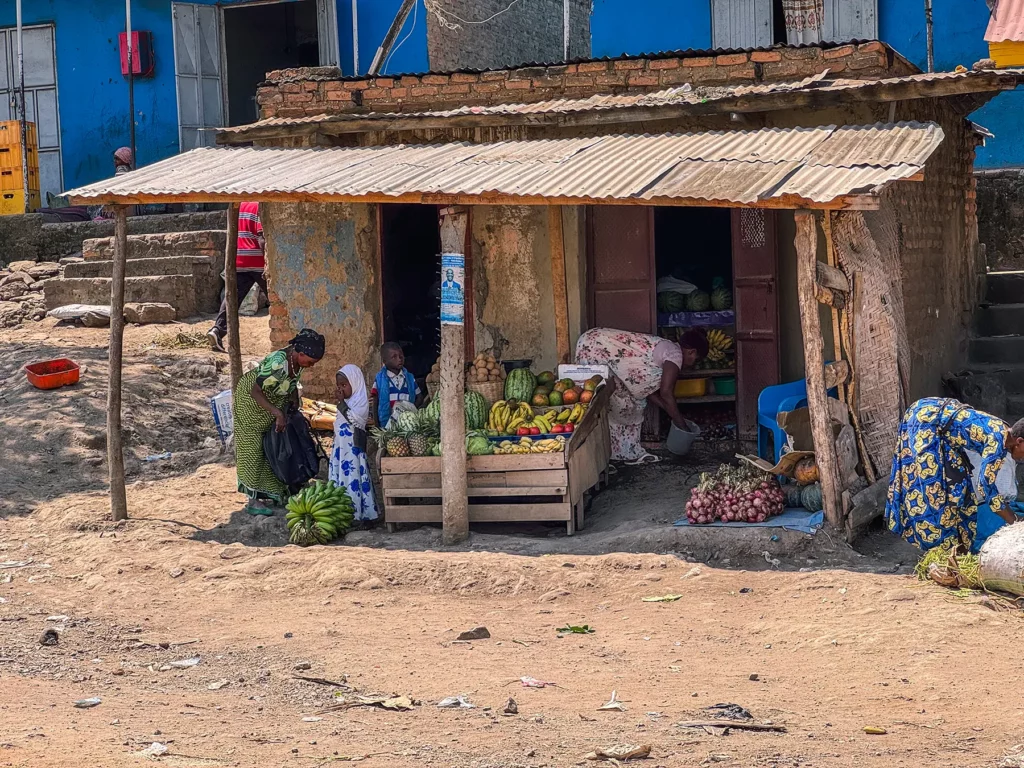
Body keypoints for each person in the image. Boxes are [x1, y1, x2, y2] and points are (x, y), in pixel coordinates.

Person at [885, 397, 1024, 552]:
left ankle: (957, 549)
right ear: (1019, 441)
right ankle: (938, 551)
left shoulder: (1005, 435)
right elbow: (986, 488)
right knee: (933, 494)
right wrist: (1015, 522)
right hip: (926, 420)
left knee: (960, 491)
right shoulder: (997, 441)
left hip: (943, 432)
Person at [574, 327, 708, 463]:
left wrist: (670, 411)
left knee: (622, 403)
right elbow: (666, 392)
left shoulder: (668, 348)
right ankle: (614, 454)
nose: (692, 364)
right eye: (695, 360)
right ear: (692, 352)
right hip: (595, 347)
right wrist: (681, 424)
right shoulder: (676, 355)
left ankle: (619, 453)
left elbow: (647, 391)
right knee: (595, 403)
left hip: (591, 342)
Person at [233, 328, 325, 515]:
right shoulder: (278, 363)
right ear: (299, 353)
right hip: (251, 404)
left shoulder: (297, 363)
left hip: (272, 403)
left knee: (272, 448)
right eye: (310, 361)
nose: (312, 365)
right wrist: (278, 413)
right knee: (253, 449)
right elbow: (255, 391)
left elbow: (291, 384)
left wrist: (293, 401)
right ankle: (253, 500)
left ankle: (275, 493)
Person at [209, 202, 267, 353]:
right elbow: (261, 237)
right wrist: (268, 263)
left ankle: (217, 330)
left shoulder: (238, 205)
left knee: (232, 299)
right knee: (277, 298)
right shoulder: (259, 205)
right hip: (257, 261)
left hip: (239, 259)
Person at [330, 365, 380, 525]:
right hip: (341, 449)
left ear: (355, 383)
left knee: (354, 477)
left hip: (353, 450)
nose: (341, 389)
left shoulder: (360, 402)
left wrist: (341, 403)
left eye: (344, 385)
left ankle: (359, 514)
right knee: (341, 478)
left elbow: (354, 420)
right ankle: (341, 513)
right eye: (339, 386)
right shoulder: (346, 401)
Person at [370, 342, 422, 428]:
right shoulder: (380, 379)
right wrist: (377, 425)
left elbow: (420, 397)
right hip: (386, 424)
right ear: (385, 361)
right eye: (394, 357)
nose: (399, 359)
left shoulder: (409, 378)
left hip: (406, 425)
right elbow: (375, 402)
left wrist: (410, 410)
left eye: (401, 356)